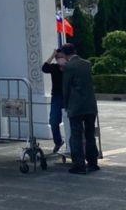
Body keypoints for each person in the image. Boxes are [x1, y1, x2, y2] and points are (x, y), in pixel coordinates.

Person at [60, 42, 99, 174]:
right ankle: (93, 163)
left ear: (64, 54)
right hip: (90, 105)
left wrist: (66, 105)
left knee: (76, 135)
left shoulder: (68, 66)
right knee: (90, 135)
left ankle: (79, 165)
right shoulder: (87, 64)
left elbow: (66, 87)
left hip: (76, 106)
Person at [41, 47, 67, 154]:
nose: (60, 59)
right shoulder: (54, 68)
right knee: (53, 120)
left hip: (69, 96)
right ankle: (58, 141)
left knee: (71, 121)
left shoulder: (70, 67)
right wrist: (52, 55)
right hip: (57, 96)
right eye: (58, 57)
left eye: (61, 57)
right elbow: (44, 68)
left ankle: (73, 144)